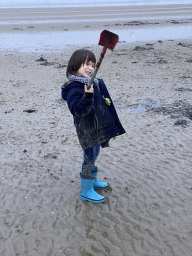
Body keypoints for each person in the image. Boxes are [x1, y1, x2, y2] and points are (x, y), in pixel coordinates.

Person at [61, 49, 126, 203]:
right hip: (86, 130)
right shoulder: (74, 87)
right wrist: (87, 95)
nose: (90, 68)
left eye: (92, 64)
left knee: (95, 154)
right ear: (75, 65)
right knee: (89, 157)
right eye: (86, 64)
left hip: (96, 127)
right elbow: (77, 110)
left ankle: (93, 181)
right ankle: (86, 190)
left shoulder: (93, 82)